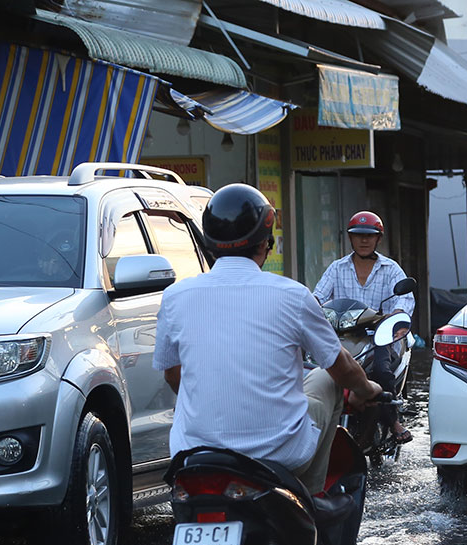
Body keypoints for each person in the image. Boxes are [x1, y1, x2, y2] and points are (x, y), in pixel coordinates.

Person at [153, 184, 381, 494]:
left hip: (193, 457)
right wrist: (365, 389)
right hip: (278, 456)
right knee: (329, 381)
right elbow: (340, 366)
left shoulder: (175, 297)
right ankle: (313, 501)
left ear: (209, 246)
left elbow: (173, 376)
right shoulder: (293, 295)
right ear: (265, 246)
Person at [314, 210, 416, 444]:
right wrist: (310, 306)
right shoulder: (337, 268)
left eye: (369, 236)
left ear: (378, 238)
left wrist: (397, 313)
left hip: (377, 334)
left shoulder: (390, 269)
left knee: (381, 371)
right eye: (358, 235)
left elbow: (406, 298)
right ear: (350, 238)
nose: (363, 240)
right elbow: (318, 296)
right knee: (315, 367)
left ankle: (393, 421)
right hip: (342, 335)